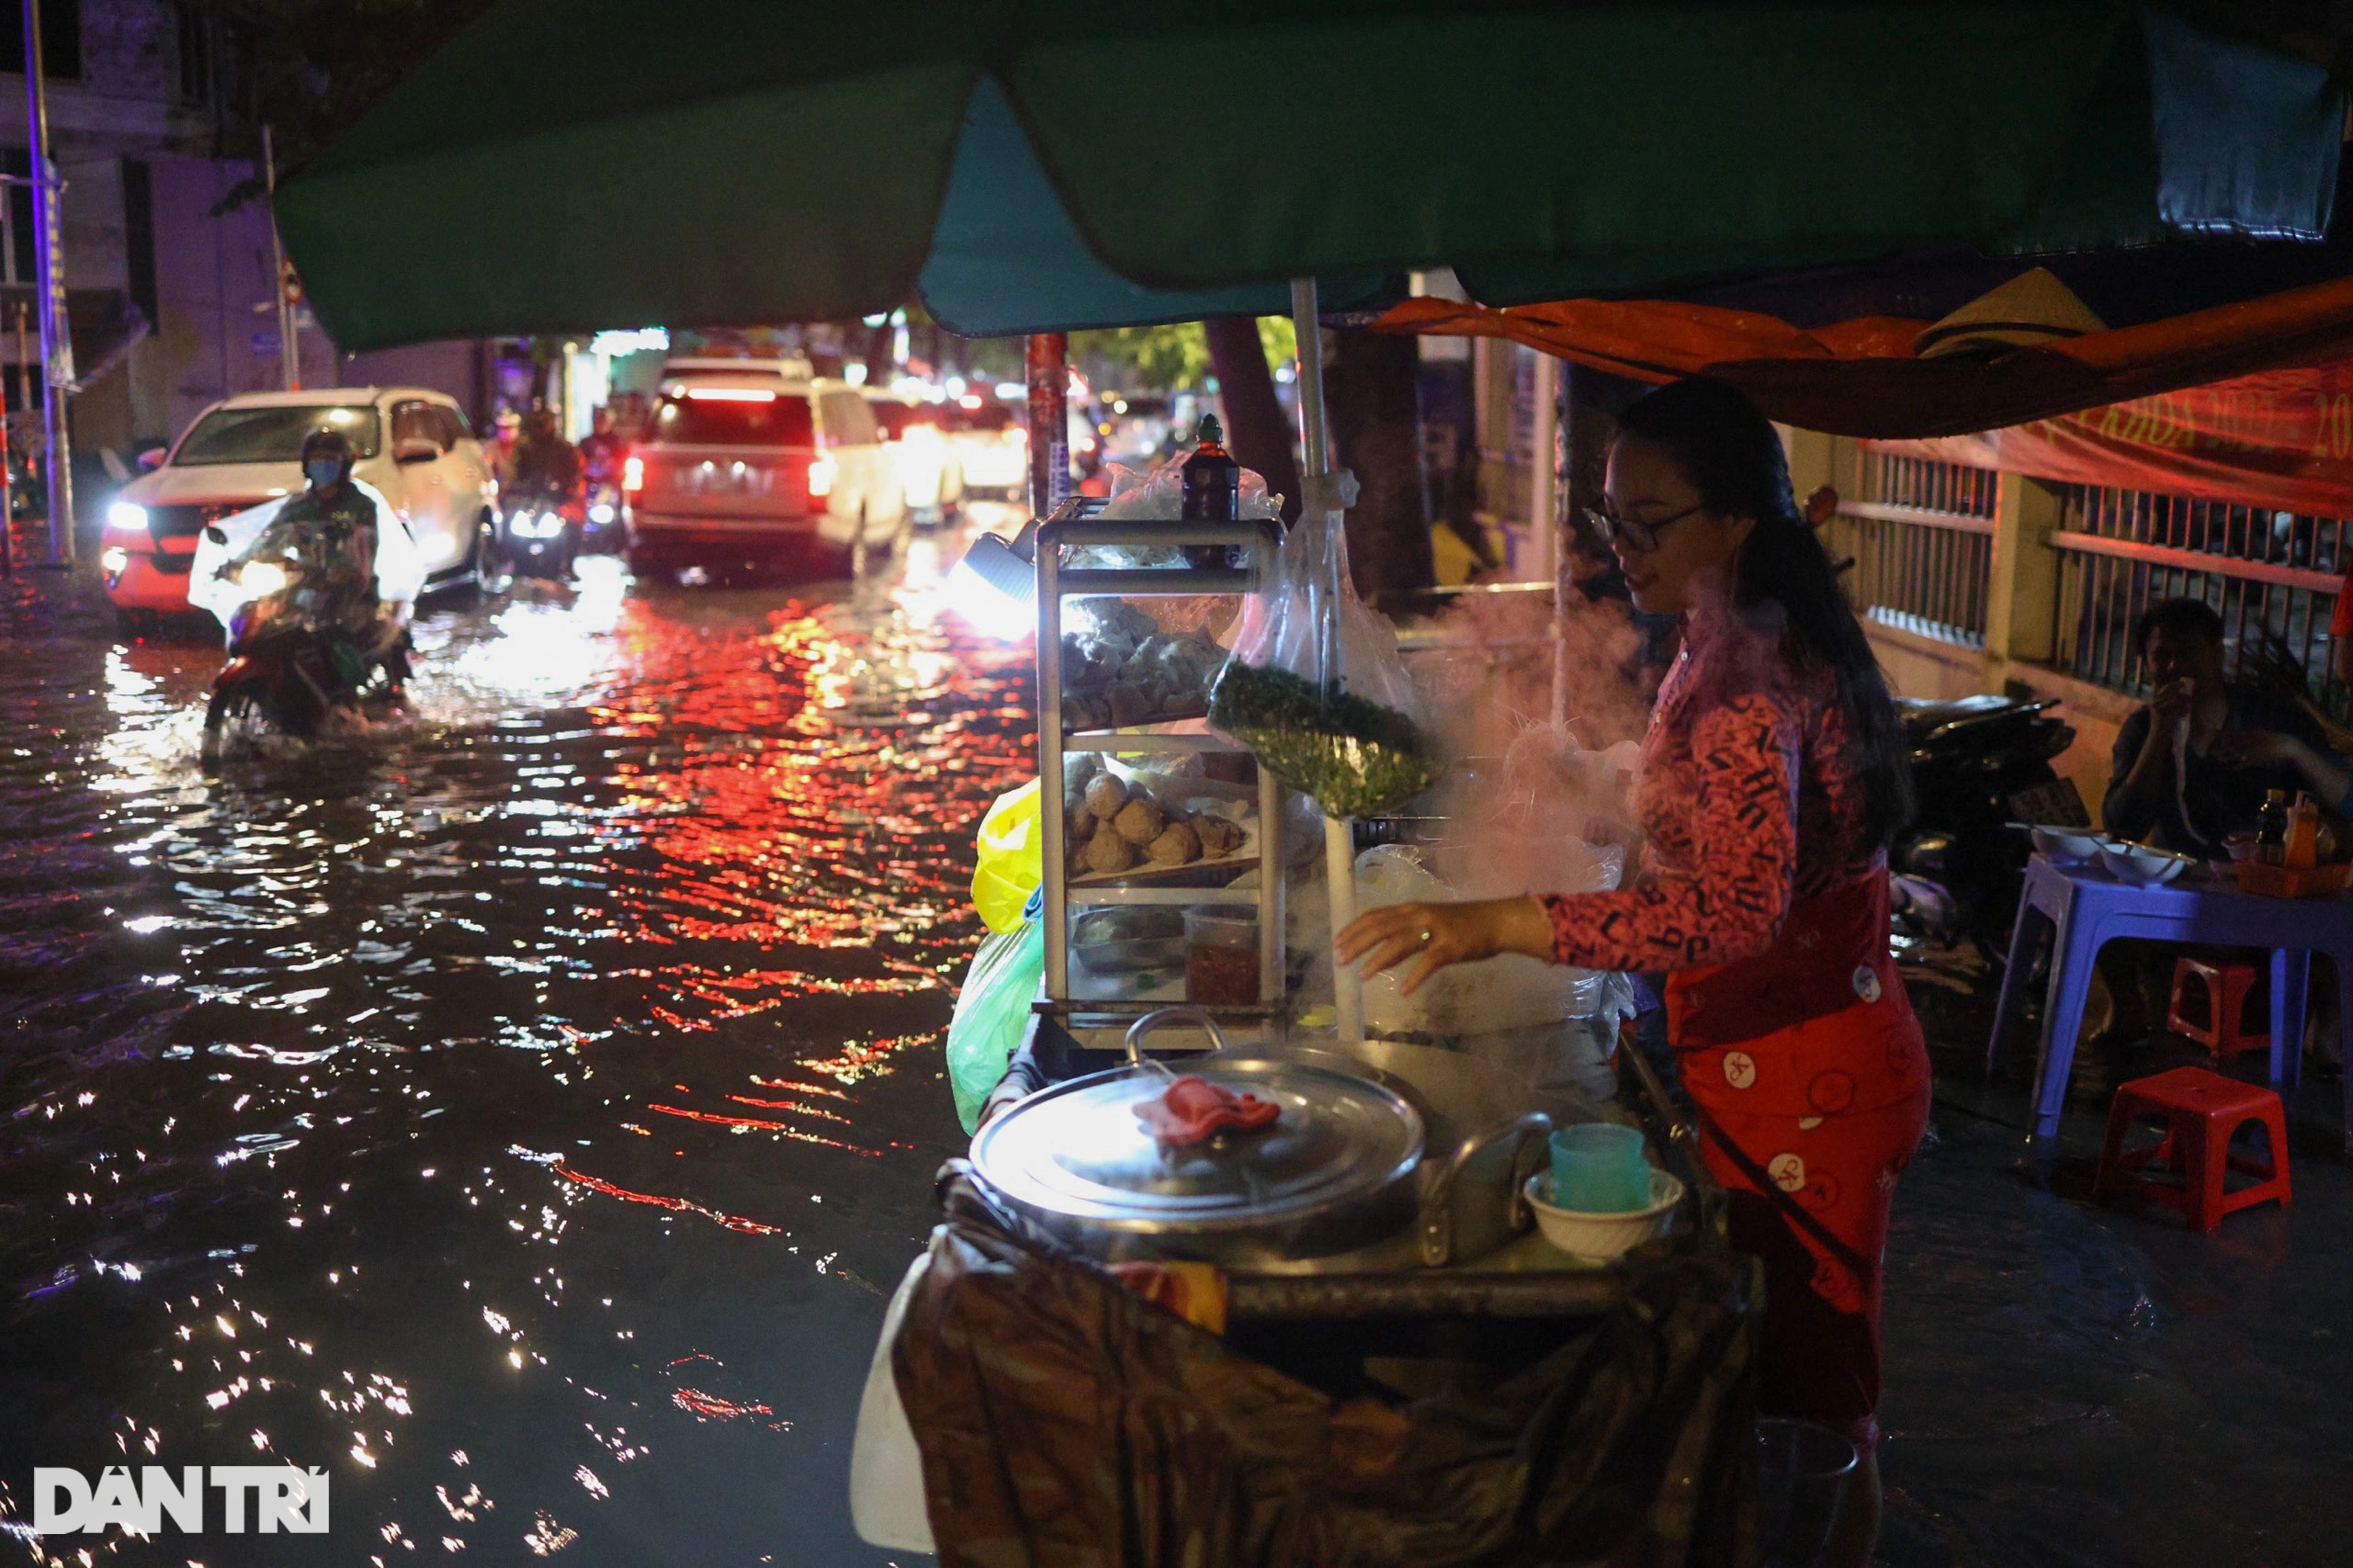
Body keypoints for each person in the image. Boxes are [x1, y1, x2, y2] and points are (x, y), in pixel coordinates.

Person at [1336, 377, 1927, 1568]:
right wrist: (1595, 779)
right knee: (1768, 1363)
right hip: (1764, 1059)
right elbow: (1721, 825)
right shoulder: (1724, 632)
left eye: (1646, 522)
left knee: (1813, 1395)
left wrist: (1504, 919)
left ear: (1737, 520)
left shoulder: (1751, 673)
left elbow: (1732, 906)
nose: (1623, 549)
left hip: (1807, 1082)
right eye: (1609, 519)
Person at [2104, 596, 2350, 855]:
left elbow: (2346, 802)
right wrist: (2157, 735)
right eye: (2161, 656)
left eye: (2188, 651)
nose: (2175, 666)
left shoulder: (2274, 716)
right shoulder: (2142, 728)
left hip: (2262, 881)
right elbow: (2122, 827)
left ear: (2217, 653)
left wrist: (2291, 748)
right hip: (2176, 878)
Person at [226, 427, 412, 695]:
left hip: (349, 593)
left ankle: (344, 698)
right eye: (316, 458)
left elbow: (362, 553)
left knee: (334, 637)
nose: (322, 465)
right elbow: (268, 540)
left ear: (343, 464)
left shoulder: (360, 506)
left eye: (329, 459)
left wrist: (341, 570)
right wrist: (238, 563)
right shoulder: (297, 507)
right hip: (303, 589)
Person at [507, 406, 583, 498]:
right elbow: (513, 472)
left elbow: (575, 473)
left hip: (558, 498)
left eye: (544, 422)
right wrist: (512, 486)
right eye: (538, 423)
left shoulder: (564, 448)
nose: (541, 427)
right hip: (528, 498)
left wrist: (565, 486)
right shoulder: (524, 448)